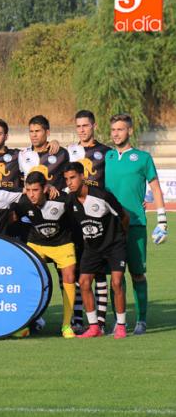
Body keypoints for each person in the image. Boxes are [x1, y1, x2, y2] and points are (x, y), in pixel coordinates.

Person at [104, 113, 168, 335]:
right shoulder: (107, 157)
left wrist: (162, 220)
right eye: (113, 130)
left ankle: (141, 320)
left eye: (120, 129)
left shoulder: (143, 158)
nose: (116, 134)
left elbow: (156, 188)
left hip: (136, 224)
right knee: (115, 276)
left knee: (137, 273)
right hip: (110, 227)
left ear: (129, 131)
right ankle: (119, 321)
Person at [64, 162, 129, 339]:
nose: (69, 182)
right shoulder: (70, 200)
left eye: (73, 178)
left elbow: (124, 217)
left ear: (82, 176)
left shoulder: (102, 196)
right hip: (92, 247)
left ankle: (121, 326)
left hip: (114, 245)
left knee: (116, 282)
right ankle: (94, 327)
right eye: (67, 179)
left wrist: (122, 238)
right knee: (84, 282)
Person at [14, 172, 77, 338]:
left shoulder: (62, 199)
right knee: (28, 278)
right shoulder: (23, 202)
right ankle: (27, 323)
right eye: (28, 190)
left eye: (35, 190)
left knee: (69, 277)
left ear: (45, 189)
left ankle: (67, 325)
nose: (31, 194)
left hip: (62, 243)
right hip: (37, 243)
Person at [65, 110, 111, 332]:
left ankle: (100, 321)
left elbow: (113, 183)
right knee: (78, 271)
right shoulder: (68, 152)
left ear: (94, 126)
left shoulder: (106, 153)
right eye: (78, 126)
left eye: (85, 125)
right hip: (76, 218)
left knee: (100, 273)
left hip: (99, 218)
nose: (82, 130)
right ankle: (77, 319)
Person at [19, 115, 69, 191]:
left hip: (56, 197)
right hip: (31, 197)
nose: (34, 135)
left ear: (47, 132)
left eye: (37, 131)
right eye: (31, 131)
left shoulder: (61, 153)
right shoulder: (22, 154)